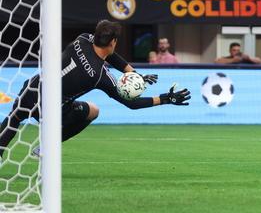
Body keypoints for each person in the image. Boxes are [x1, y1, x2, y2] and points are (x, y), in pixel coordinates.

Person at [0, 21, 190, 161]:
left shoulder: (82, 39)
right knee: (93, 111)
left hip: (31, 89)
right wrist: (165, 98)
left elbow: (109, 55)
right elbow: (131, 103)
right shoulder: (100, 76)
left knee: (13, 119)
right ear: (113, 42)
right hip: (49, 110)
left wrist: (134, 73)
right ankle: (47, 147)